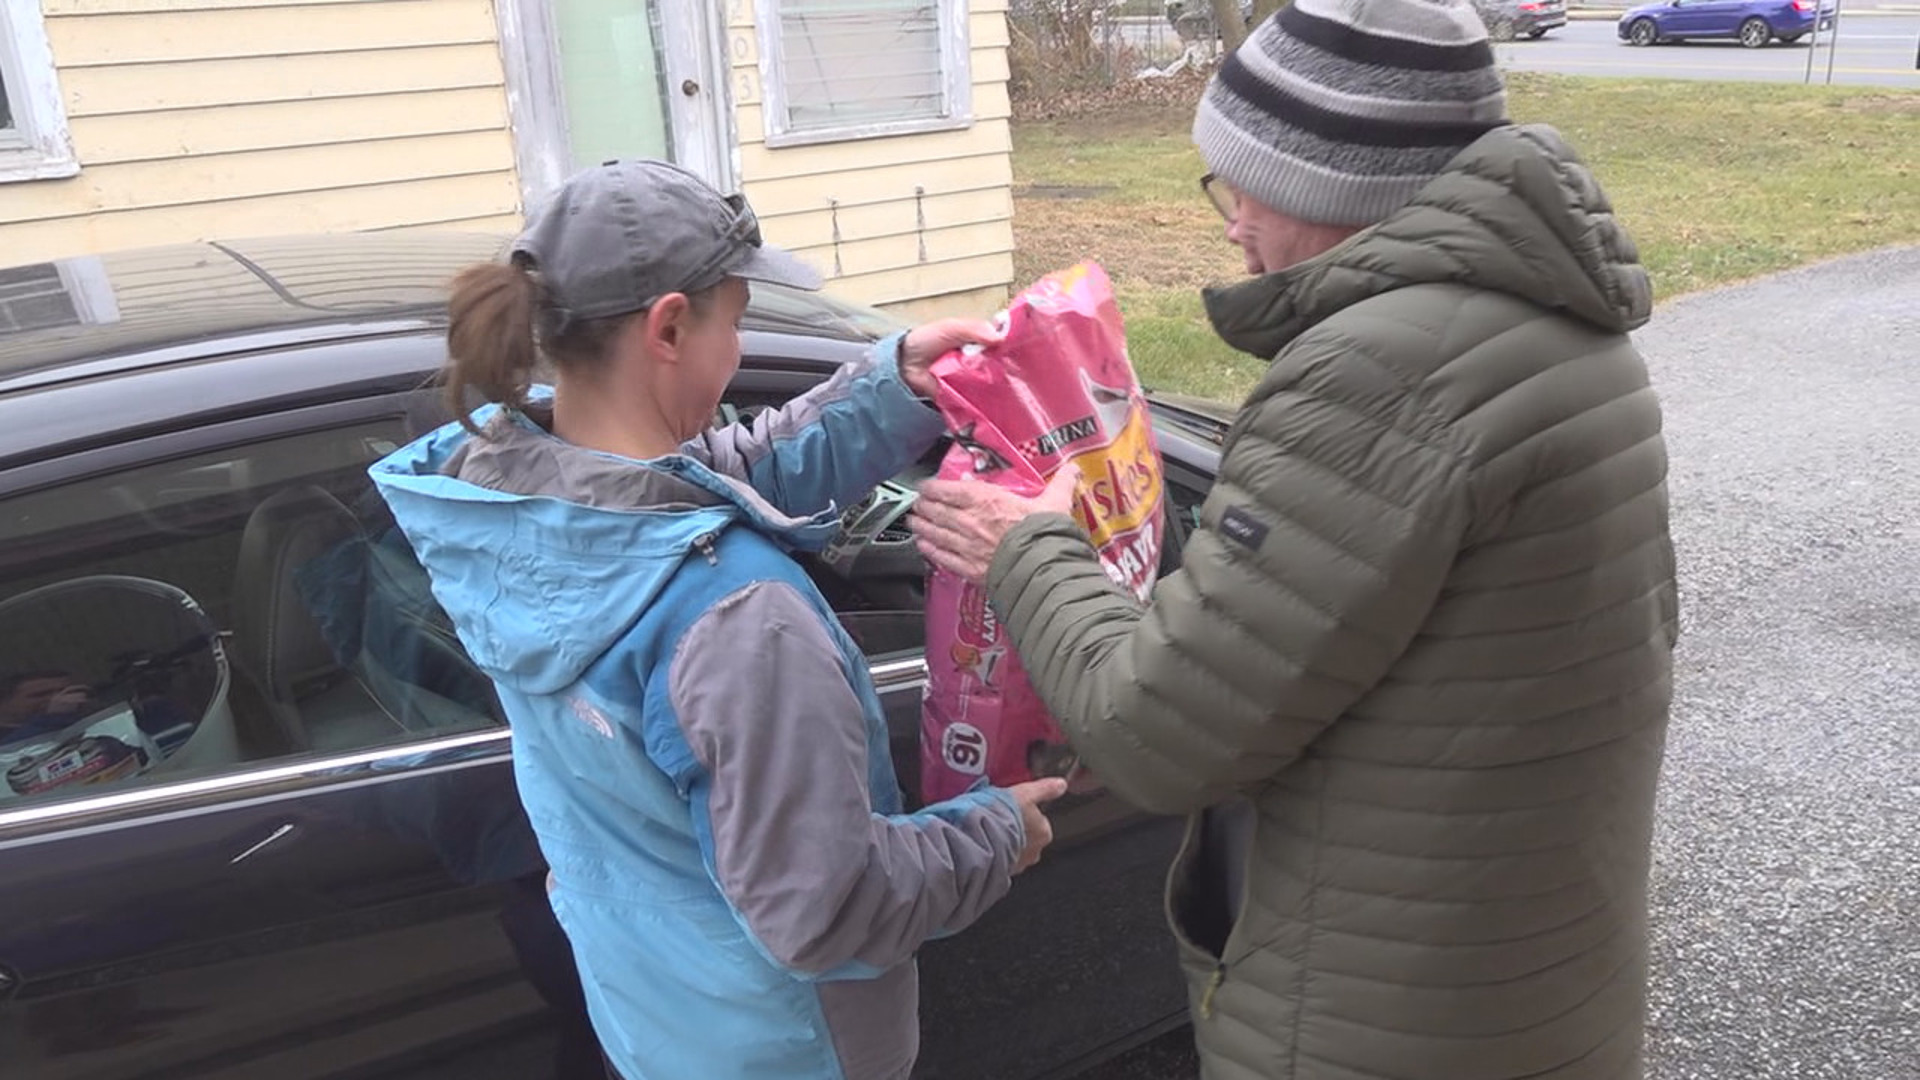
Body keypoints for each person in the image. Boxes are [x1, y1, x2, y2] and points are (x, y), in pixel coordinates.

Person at [910, 1, 1679, 1077]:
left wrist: (1031, 550)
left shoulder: (1375, 377)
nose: (1229, 222)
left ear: (1333, 188)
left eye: (1242, 185)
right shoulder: (1559, 329)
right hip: (1531, 967)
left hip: (1388, 1020)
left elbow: (1156, 734)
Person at [369, 159, 1065, 1080]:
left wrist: (894, 386)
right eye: (735, 319)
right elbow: (827, 909)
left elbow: (709, 476)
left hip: (661, 1012)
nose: (740, 341)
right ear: (668, 327)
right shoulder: (740, 622)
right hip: (791, 1048)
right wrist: (996, 834)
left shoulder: (511, 495)